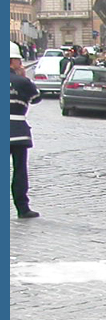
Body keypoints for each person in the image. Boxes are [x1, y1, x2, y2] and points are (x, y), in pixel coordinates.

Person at [10, 42, 41, 219]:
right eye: (18, 61)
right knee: (19, 170)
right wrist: (23, 78)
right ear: (12, 61)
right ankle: (22, 208)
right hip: (17, 131)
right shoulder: (22, 81)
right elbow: (36, 98)